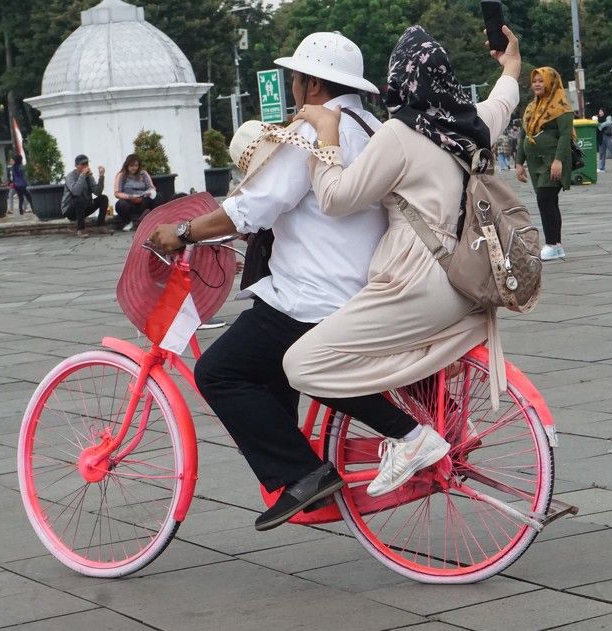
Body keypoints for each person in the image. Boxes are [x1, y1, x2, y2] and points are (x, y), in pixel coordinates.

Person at [147, 31, 388, 531]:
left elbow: (254, 207)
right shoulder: (368, 126)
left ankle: (304, 475)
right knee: (264, 362)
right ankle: (302, 475)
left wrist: (186, 232)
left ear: (312, 85)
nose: (293, 87)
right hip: (359, 287)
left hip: (312, 297)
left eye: (296, 78)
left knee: (218, 371)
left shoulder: (311, 131)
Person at [286, 25, 521, 512]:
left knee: (301, 363)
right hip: (468, 282)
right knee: (377, 351)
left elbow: (335, 198)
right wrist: (511, 64)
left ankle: (411, 437)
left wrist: (326, 136)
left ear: (398, 85)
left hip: (415, 283)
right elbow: (503, 101)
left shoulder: (401, 135)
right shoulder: (471, 123)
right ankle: (453, 421)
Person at [516, 66, 571, 260]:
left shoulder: (561, 106)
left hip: (552, 161)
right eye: (535, 81)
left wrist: (558, 160)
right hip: (534, 163)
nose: (537, 84)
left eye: (541, 81)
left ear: (551, 82)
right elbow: (524, 134)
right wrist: (518, 162)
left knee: (545, 198)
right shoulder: (531, 107)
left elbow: (565, 136)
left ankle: (552, 243)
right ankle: (556, 245)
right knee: (549, 201)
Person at [61, 154, 108, 238]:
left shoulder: (88, 176)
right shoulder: (70, 176)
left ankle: (100, 226)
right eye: (82, 164)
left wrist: (101, 176)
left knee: (103, 198)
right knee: (79, 199)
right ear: (76, 165)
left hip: (84, 206)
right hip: (70, 210)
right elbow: (76, 192)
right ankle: (80, 229)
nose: (85, 166)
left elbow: (97, 192)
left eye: (86, 164)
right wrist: (82, 175)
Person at [112, 154, 157, 231]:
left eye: (136, 165)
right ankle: (128, 222)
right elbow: (117, 193)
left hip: (143, 200)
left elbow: (152, 187)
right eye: (131, 166)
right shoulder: (121, 175)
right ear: (127, 165)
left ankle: (154, 221)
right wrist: (130, 197)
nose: (134, 168)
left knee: (158, 196)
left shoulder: (143, 174)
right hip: (129, 202)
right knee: (120, 204)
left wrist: (147, 193)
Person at [597, 107, 612, 172]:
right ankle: (601, 167)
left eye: (601, 111)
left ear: (604, 111)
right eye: (599, 112)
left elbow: (609, 122)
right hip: (600, 137)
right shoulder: (597, 118)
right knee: (601, 153)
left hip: (608, 136)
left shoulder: (608, 117)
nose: (600, 113)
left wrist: (600, 125)